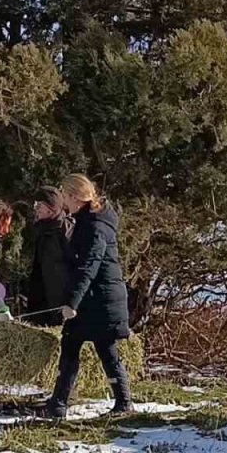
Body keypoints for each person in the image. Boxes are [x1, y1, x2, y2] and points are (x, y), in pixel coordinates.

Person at [45, 175, 133, 418]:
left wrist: (72, 302)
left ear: (74, 197)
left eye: (63, 193)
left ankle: (123, 403)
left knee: (105, 348)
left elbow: (89, 265)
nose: (61, 198)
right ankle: (58, 403)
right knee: (72, 344)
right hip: (92, 298)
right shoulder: (87, 221)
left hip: (99, 298)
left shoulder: (94, 226)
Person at [25, 188, 75, 327]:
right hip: (42, 298)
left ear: (51, 208)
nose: (36, 209)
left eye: (39, 205)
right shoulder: (41, 230)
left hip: (60, 300)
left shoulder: (66, 230)